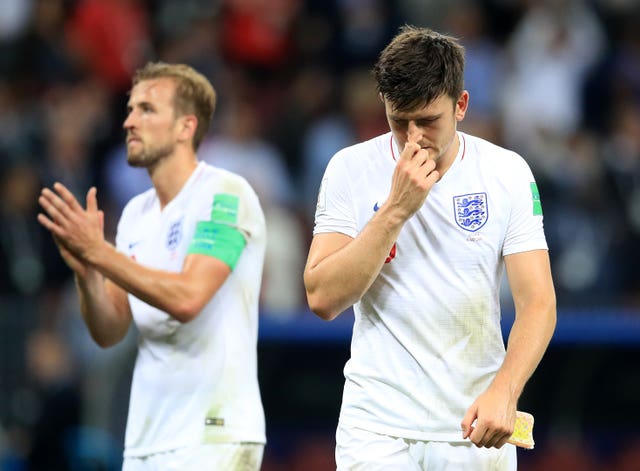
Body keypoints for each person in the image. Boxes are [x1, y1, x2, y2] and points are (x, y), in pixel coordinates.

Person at [304, 26, 556, 470]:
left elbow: (537, 302)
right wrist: (395, 211)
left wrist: (506, 390)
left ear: (461, 105)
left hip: (474, 424)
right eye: (399, 122)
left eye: (428, 120)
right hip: (376, 427)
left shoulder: (506, 173)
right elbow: (322, 298)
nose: (414, 137)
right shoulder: (349, 169)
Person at [37, 62, 266, 470]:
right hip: (146, 439)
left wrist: (100, 252)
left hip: (214, 435)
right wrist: (87, 272)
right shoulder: (135, 215)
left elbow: (189, 297)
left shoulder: (225, 193)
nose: (128, 121)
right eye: (129, 109)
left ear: (185, 127)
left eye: (146, 109)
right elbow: (110, 330)